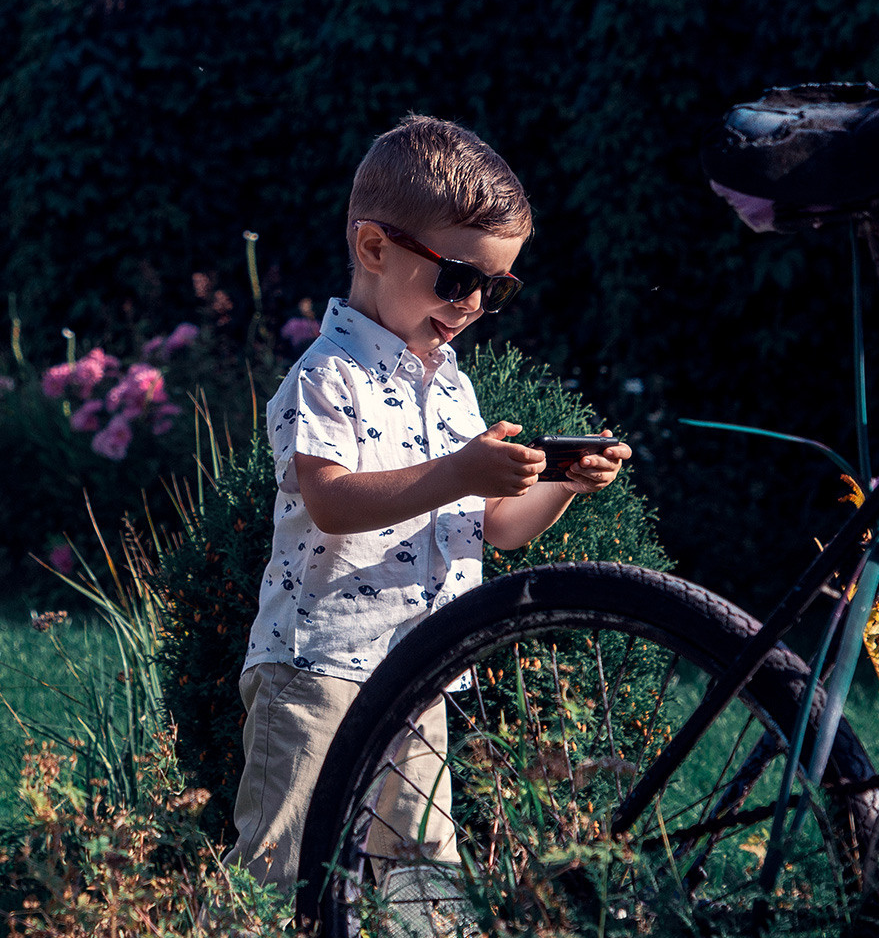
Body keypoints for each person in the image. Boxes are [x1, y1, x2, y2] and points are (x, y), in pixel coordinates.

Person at [227, 114, 632, 890]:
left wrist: (560, 479)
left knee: (421, 861)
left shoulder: (450, 384)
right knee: (282, 853)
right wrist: (461, 470)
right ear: (374, 248)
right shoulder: (328, 374)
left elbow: (497, 528)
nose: (475, 301)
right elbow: (332, 502)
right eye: (458, 276)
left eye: (497, 286)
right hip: (317, 664)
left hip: (421, 668)